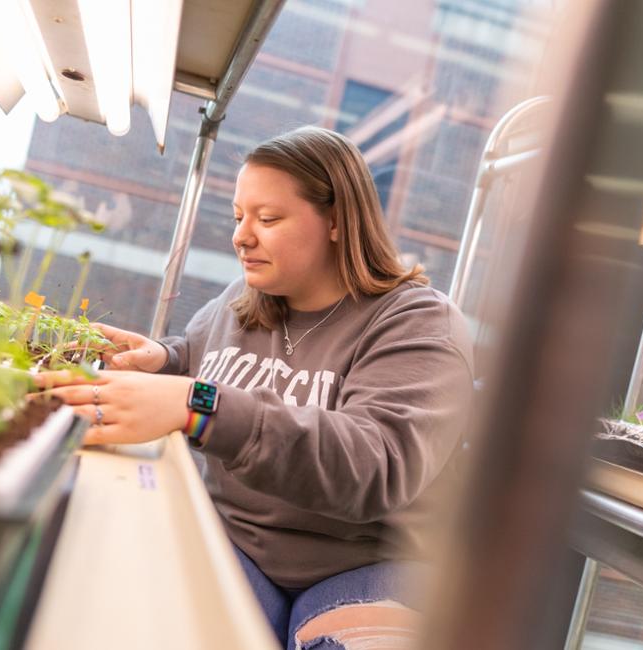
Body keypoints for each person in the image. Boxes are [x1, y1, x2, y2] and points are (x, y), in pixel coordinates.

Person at [46, 126, 474, 650]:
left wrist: (193, 405)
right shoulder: (247, 295)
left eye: (267, 219)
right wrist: (162, 360)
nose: (241, 236)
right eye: (238, 217)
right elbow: (205, 364)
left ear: (338, 220)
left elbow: (374, 464)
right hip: (241, 543)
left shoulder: (418, 323)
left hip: (370, 562)